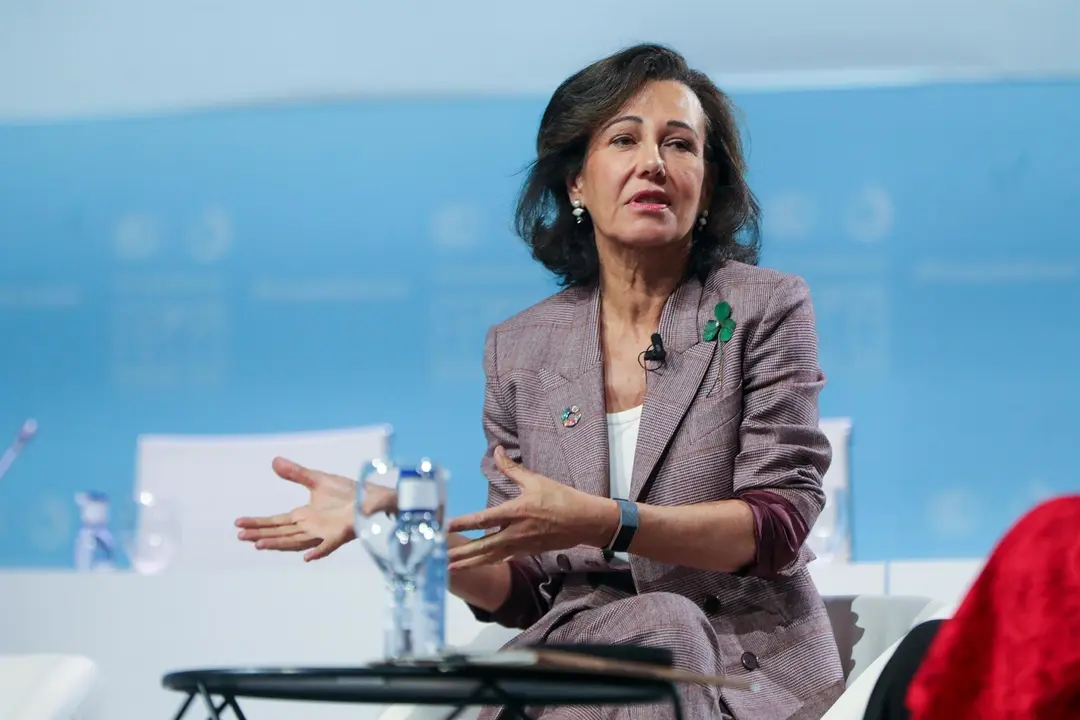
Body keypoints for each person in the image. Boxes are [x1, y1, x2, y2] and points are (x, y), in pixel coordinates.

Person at [237, 43, 843, 719]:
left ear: (706, 184)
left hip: (737, 667)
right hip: (579, 664)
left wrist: (602, 521)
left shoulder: (766, 306)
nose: (653, 162)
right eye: (624, 139)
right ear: (576, 184)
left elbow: (776, 526)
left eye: (680, 144)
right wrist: (399, 519)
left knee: (664, 629)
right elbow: (523, 589)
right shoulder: (519, 348)